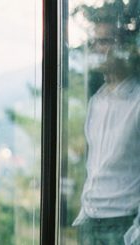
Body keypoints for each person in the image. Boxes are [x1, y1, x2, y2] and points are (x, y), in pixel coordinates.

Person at [72, 2, 140, 244]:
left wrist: (136, 232)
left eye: (105, 42)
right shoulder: (97, 101)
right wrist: (84, 214)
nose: (97, 49)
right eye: (95, 42)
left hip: (124, 224)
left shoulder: (138, 102)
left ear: (124, 47)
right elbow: (95, 164)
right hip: (90, 221)